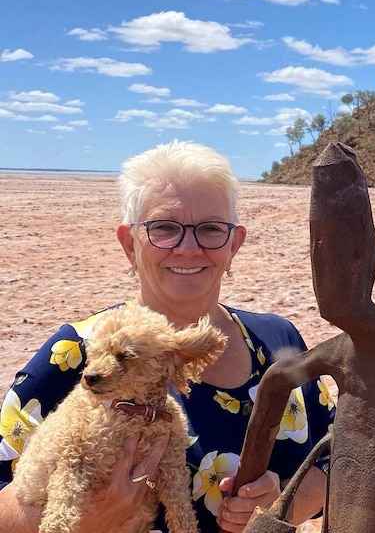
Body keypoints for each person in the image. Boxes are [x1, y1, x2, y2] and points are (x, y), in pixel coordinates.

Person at [0, 140, 336, 533]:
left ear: (234, 244)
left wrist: (287, 503)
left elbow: (339, 453)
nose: (189, 249)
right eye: (164, 228)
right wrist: (86, 518)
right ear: (129, 243)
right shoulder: (76, 353)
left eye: (211, 229)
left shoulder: (277, 341)